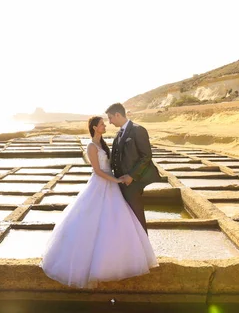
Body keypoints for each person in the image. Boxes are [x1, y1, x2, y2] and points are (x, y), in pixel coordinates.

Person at [41, 116, 157, 288]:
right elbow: (96, 170)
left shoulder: (103, 144)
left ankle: (118, 258)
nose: (105, 126)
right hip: (100, 183)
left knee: (116, 219)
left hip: (110, 183)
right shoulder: (91, 146)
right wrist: (116, 180)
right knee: (92, 219)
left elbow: (111, 164)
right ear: (95, 127)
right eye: (102, 124)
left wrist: (121, 176)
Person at [106, 103, 160, 233]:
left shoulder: (138, 130)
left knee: (137, 217)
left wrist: (131, 176)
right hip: (121, 183)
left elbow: (146, 156)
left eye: (110, 118)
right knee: (126, 219)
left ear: (118, 115)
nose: (109, 122)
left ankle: (144, 251)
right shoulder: (118, 134)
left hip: (134, 183)